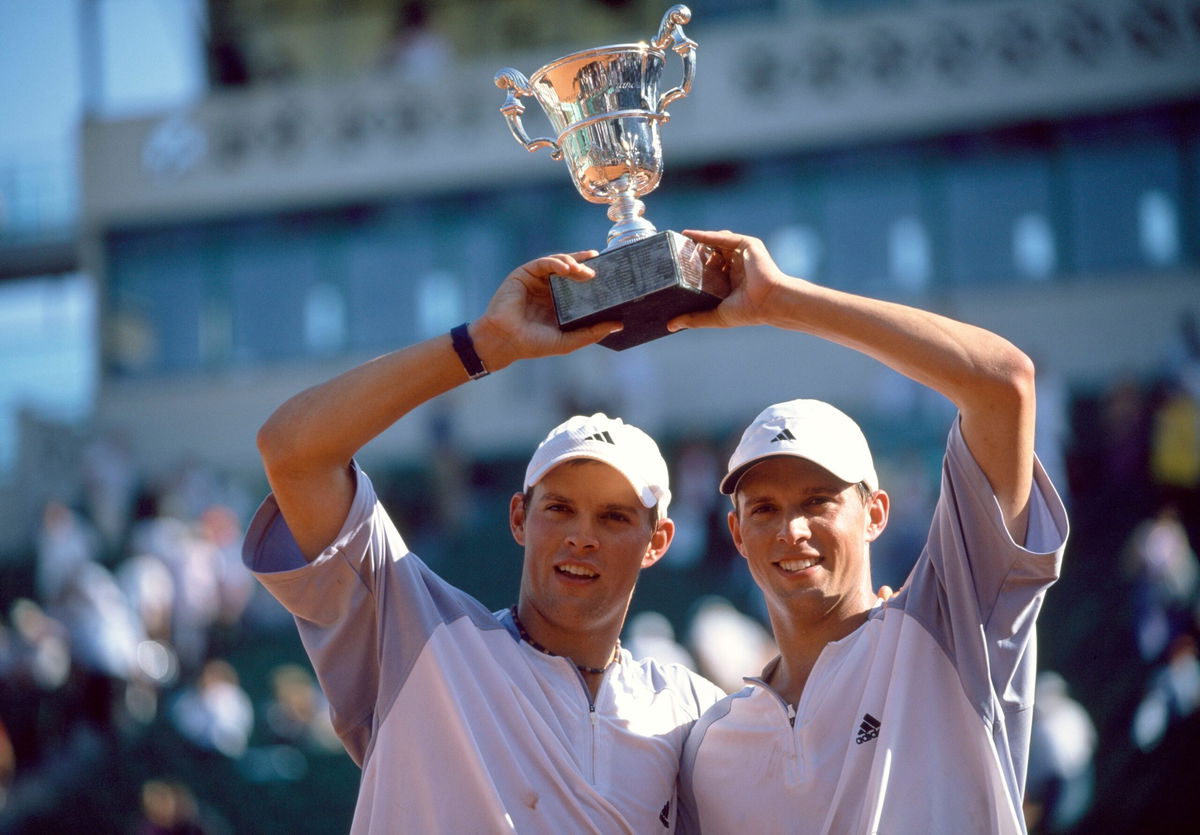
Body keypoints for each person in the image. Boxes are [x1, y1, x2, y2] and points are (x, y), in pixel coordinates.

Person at [241, 249, 727, 832]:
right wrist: (484, 346)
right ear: (519, 518)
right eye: (560, 509)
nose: (581, 537)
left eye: (615, 518)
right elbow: (292, 451)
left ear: (659, 541)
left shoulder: (694, 712)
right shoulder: (414, 636)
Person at [671, 230, 1070, 834]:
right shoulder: (709, 745)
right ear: (736, 532)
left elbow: (1003, 384)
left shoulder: (951, 629)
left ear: (875, 513)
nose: (792, 529)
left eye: (818, 500)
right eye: (764, 510)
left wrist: (782, 302)